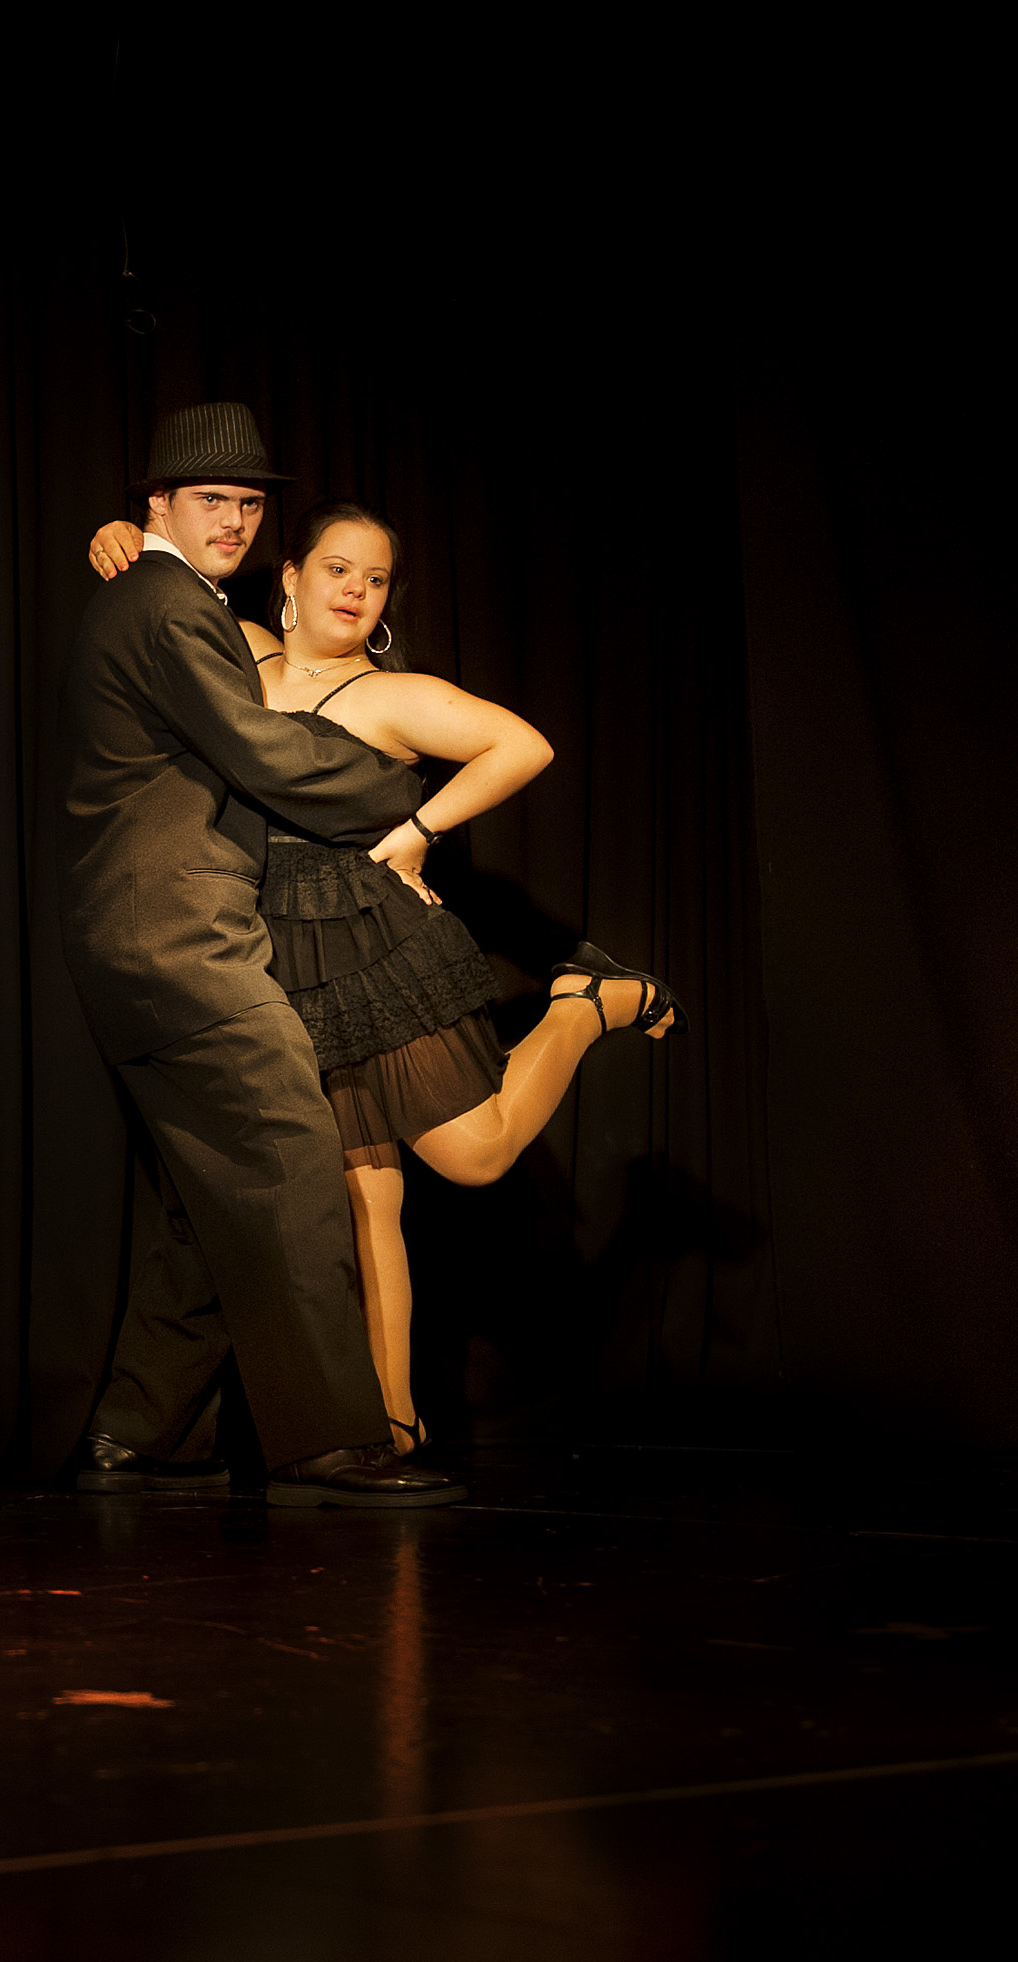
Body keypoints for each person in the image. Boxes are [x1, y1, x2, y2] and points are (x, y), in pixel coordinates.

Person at [87, 499, 682, 1453]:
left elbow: (524, 744)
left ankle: (581, 1004)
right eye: (338, 569)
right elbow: (167, 585)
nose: (357, 590)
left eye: (375, 579)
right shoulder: (240, 651)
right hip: (269, 951)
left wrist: (415, 834)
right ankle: (391, 1419)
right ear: (289, 577)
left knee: (475, 1155)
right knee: (359, 1200)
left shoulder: (391, 696)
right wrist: (119, 538)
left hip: (368, 944)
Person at [57, 402, 465, 1508]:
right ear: (159, 504)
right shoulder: (165, 602)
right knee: (289, 1145)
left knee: (213, 1183)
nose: (234, 520)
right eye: (212, 500)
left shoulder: (161, 597)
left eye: (248, 502)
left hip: (132, 934)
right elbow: (260, 750)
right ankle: (330, 1440)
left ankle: (140, 1430)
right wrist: (400, 796)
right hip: (177, 935)